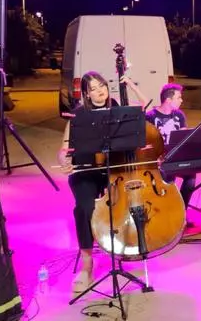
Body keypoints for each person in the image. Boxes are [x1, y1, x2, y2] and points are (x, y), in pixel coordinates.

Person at [57, 71, 120, 293]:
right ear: (86, 94)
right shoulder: (78, 115)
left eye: (102, 86)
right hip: (85, 170)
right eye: (93, 88)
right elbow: (64, 149)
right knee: (85, 208)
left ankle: (125, 247)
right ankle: (87, 265)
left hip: (112, 169)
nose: (100, 91)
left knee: (124, 202)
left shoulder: (117, 109)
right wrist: (64, 160)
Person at [145, 83, 196, 209]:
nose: (181, 100)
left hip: (176, 157)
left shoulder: (179, 115)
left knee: (191, 178)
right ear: (168, 100)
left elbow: (183, 137)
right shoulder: (150, 116)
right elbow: (147, 142)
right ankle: (167, 210)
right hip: (160, 160)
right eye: (179, 97)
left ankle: (182, 210)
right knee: (167, 178)